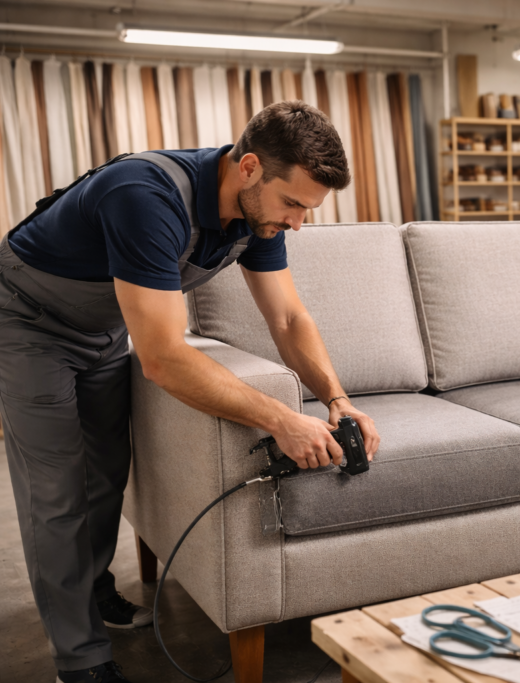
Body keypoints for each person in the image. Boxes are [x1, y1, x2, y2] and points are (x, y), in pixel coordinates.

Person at [0, 100, 381, 683]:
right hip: (26, 323)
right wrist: (281, 419)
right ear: (249, 167)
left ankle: (92, 583)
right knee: (55, 491)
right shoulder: (145, 196)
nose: (299, 223)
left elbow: (287, 320)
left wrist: (336, 398)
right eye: (294, 204)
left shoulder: (258, 218)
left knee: (107, 470)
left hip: (102, 329)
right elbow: (163, 358)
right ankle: (80, 660)